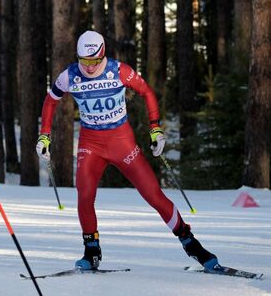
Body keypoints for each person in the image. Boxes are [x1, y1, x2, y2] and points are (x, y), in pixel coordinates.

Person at [35, 30, 219, 271]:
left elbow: (147, 92)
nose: (89, 67)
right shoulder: (70, 75)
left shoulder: (119, 70)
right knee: (85, 194)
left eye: (94, 61)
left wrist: (155, 129)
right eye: (84, 61)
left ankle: (191, 244)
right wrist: (44, 135)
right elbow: (51, 101)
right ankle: (91, 252)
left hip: (122, 143)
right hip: (91, 144)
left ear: (103, 55)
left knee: (153, 195)